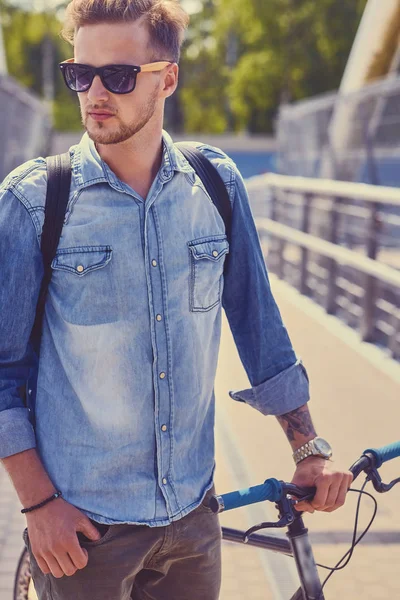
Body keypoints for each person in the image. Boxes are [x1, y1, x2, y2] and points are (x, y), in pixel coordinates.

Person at [0, 1, 353, 598]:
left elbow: (260, 328)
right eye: (79, 74)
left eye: (118, 76)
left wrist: (309, 450)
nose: (94, 94)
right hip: (84, 530)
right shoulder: (35, 201)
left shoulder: (215, 185)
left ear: (167, 77)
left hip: (193, 516)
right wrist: (38, 504)